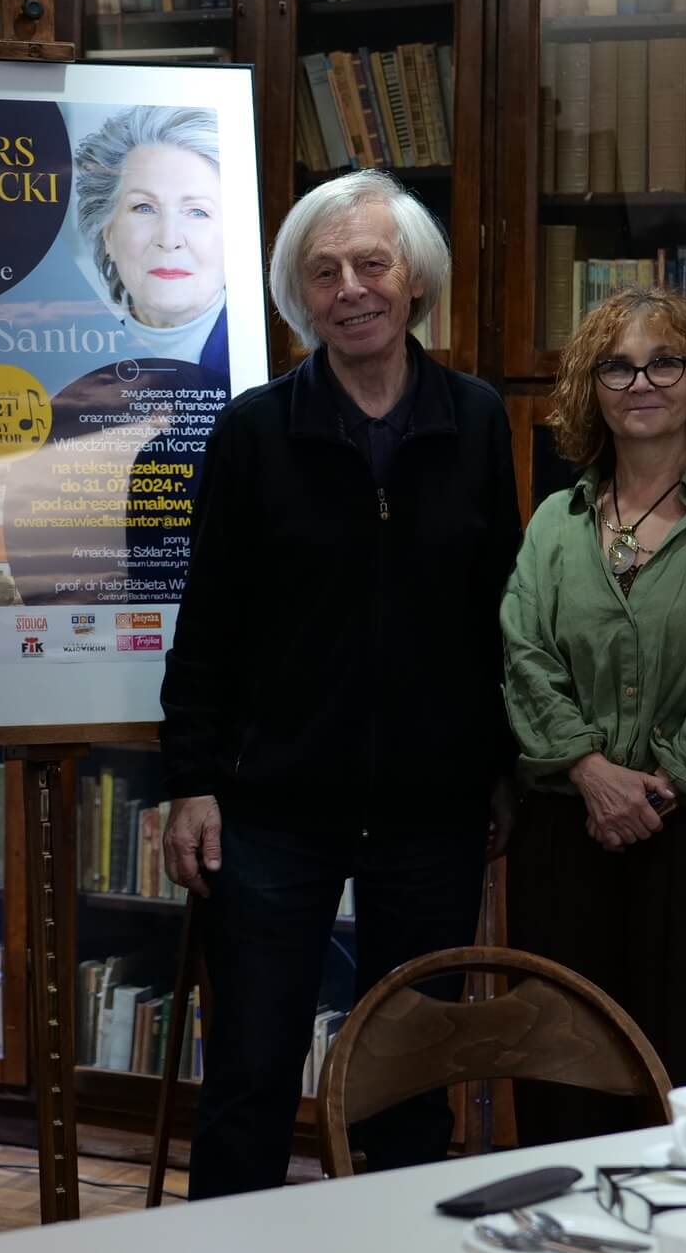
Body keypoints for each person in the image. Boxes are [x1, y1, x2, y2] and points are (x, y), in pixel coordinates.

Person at [159, 168, 520, 1199]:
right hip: (273, 808)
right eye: (323, 272)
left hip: (432, 809)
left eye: (372, 263)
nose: (350, 287)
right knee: (250, 1071)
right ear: (296, 295)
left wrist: (503, 764)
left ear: (415, 283)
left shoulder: (478, 418)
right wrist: (191, 778)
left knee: (409, 1071)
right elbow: (209, 622)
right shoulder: (253, 430)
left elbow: (501, 608)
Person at [502, 288, 686, 1131]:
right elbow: (524, 660)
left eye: (664, 361)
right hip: (568, 836)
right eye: (617, 365)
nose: (642, 382)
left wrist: (657, 790)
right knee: (565, 1084)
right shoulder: (553, 527)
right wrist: (592, 774)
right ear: (590, 388)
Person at [73, 104, 229, 371]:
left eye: (197, 212)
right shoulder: (77, 371)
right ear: (107, 233)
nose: (169, 239)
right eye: (144, 208)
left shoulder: (260, 362)